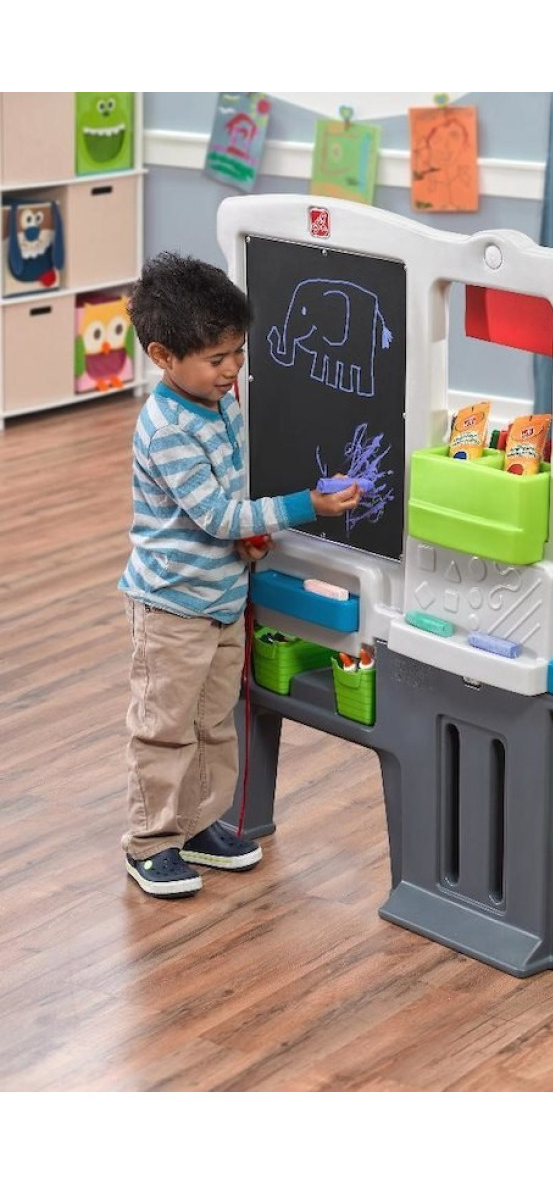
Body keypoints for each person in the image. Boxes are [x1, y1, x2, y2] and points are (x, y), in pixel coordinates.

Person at [119, 252, 361, 898]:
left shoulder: (219, 403)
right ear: (164, 356)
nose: (232, 370)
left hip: (221, 600)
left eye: (238, 353)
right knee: (164, 728)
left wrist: (252, 536)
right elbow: (216, 514)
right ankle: (150, 842)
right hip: (171, 608)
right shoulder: (167, 428)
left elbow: (231, 496)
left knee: (212, 723)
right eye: (217, 359)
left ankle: (198, 824)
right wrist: (304, 506)